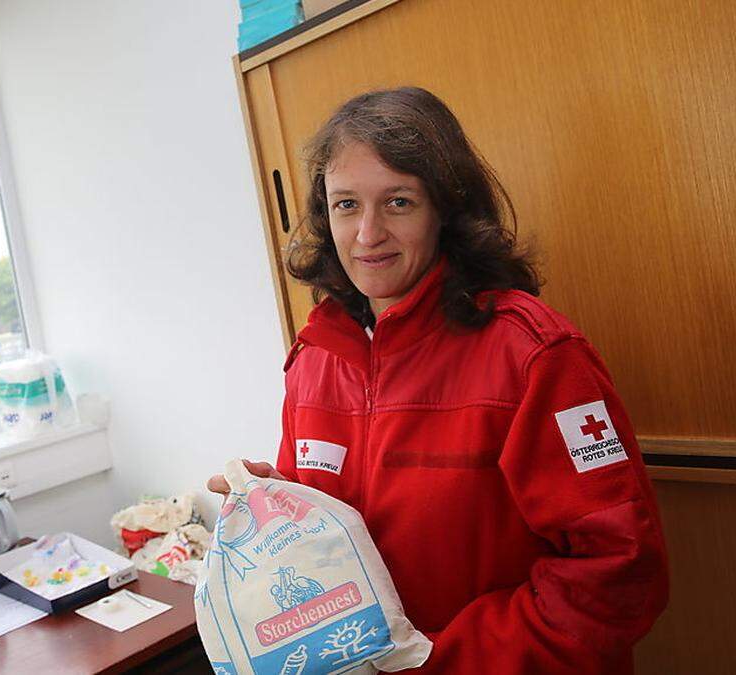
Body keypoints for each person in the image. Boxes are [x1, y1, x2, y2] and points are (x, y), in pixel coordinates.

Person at [208, 87, 668, 674]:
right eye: (346, 205)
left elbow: (620, 572)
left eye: (398, 202)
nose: (367, 234)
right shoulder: (315, 358)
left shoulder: (533, 356)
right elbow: (327, 542)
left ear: (446, 211)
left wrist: (435, 661)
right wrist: (272, 504)